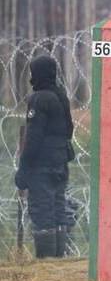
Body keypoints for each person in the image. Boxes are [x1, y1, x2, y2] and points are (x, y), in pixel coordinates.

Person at [14, 55, 75, 258]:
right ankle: (58, 262)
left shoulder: (39, 98)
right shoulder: (60, 96)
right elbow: (69, 129)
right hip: (60, 162)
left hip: (42, 166)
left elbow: (33, 138)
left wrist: (23, 170)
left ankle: (47, 263)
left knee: (42, 212)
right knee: (58, 209)